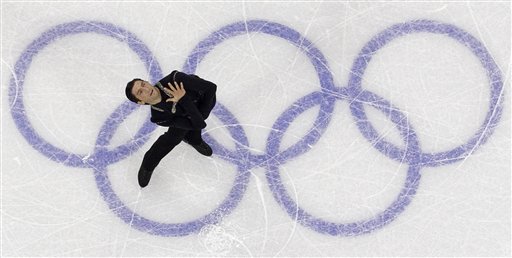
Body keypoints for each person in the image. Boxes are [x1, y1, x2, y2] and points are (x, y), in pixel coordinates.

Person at [125, 70, 217, 188]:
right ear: (141, 102)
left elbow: (211, 88)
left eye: (143, 84)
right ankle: (148, 164)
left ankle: (194, 140)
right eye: (140, 92)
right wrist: (183, 100)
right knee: (173, 138)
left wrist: (197, 112)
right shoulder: (159, 116)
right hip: (188, 116)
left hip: (204, 100)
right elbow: (197, 124)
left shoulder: (175, 79)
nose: (147, 89)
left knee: (193, 131)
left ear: (147, 82)